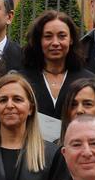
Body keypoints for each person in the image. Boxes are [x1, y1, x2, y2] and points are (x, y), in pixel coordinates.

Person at [18, 9, 83, 138]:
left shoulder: (87, 80)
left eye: (62, 36)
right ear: (39, 41)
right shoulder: (21, 80)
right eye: (48, 36)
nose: (55, 43)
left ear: (71, 40)